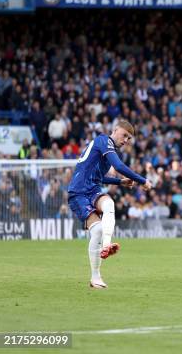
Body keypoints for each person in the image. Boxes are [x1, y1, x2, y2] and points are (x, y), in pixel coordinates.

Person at [67, 119, 152, 289]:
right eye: (125, 135)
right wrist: (142, 180)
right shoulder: (103, 140)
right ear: (115, 129)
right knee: (98, 229)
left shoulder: (107, 151)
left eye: (129, 138)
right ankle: (97, 271)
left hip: (92, 189)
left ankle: (104, 251)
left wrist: (120, 182)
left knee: (109, 205)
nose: (126, 140)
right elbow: (119, 166)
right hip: (78, 192)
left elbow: (99, 177)